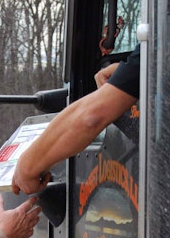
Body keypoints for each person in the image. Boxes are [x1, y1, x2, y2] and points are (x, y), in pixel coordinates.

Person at [12, 44, 140, 195]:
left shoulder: (161, 39)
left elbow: (91, 117)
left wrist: (28, 166)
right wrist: (126, 74)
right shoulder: (153, 56)